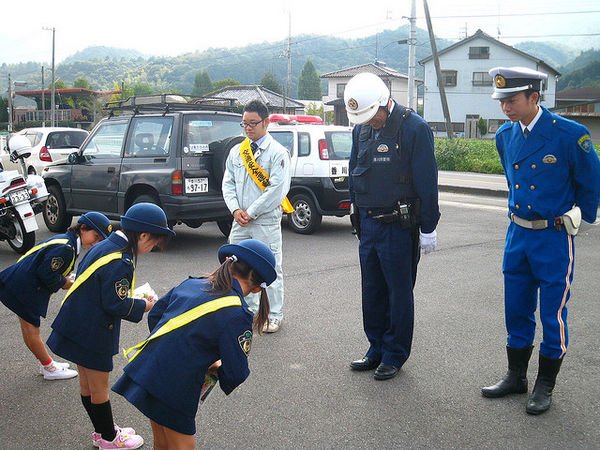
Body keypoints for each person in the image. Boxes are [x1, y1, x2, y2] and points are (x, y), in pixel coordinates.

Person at [481, 67, 600, 414]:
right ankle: (515, 376)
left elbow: (591, 182)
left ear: (535, 97)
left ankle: (544, 384)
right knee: (516, 307)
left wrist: (582, 217)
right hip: (517, 233)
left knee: (552, 313)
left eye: (512, 100)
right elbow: (511, 175)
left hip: (553, 237)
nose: (506, 107)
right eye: (502, 100)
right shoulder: (506, 136)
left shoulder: (570, 134)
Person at [112, 238, 277, 449]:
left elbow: (156, 315)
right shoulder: (237, 313)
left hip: (150, 368)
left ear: (229, 263)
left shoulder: (193, 282)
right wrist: (215, 366)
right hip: (176, 386)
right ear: (257, 288)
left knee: (162, 442)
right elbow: (236, 371)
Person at [47, 203, 175, 449]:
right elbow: (115, 303)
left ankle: (101, 431)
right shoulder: (122, 261)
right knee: (99, 389)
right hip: (93, 332)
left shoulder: (105, 245)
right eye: (153, 244)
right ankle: (109, 438)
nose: (151, 249)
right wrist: (144, 305)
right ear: (144, 235)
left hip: (77, 324)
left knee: (87, 385)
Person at [345, 72, 440, 381]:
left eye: (373, 116)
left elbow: (427, 181)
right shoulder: (361, 130)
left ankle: (395, 353)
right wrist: (355, 214)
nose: (370, 121)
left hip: (399, 227)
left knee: (398, 293)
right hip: (370, 225)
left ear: (385, 102)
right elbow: (353, 175)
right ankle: (376, 347)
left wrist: (429, 226)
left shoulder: (414, 128)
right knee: (371, 290)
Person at [0, 212, 111, 380]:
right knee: (32, 330)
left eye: (100, 240)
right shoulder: (66, 247)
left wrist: (65, 278)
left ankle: (45, 363)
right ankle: (49, 367)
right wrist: (69, 283)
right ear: (83, 228)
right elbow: (47, 273)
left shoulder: (67, 241)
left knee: (29, 329)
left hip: (19, 282)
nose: (96, 242)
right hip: (24, 288)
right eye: (95, 236)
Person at [222, 99, 292, 333]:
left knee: (271, 267)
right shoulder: (236, 151)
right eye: (245, 124)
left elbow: (277, 190)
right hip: (239, 220)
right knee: (236, 265)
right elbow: (228, 183)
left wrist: (250, 212)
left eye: (253, 123)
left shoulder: (278, 152)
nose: (248, 128)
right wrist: (235, 210)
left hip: (264, 220)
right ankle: (246, 310)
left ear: (266, 122)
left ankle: (274, 314)